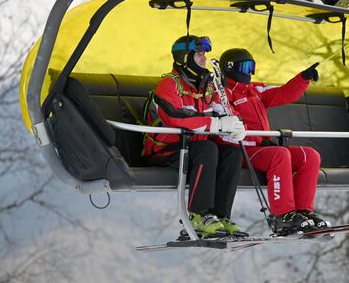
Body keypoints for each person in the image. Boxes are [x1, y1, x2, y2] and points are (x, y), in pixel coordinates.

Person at [142, 35, 248, 238]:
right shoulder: (169, 85)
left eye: (204, 54)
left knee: (231, 153)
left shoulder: (207, 87)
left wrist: (235, 124)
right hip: (165, 151)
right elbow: (175, 117)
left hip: (193, 149)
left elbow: (223, 109)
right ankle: (198, 216)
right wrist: (215, 124)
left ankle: (220, 216)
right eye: (198, 54)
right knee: (208, 149)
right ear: (184, 57)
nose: (204, 58)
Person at [220, 48, 331, 235]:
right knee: (280, 154)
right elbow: (224, 132)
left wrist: (303, 78)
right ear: (231, 68)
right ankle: (283, 215)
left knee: (309, 155)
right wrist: (258, 140)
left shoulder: (254, 90)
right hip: (240, 150)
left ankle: (303, 211)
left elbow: (283, 93)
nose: (249, 72)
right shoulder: (224, 95)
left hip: (262, 149)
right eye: (246, 67)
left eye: (252, 67)